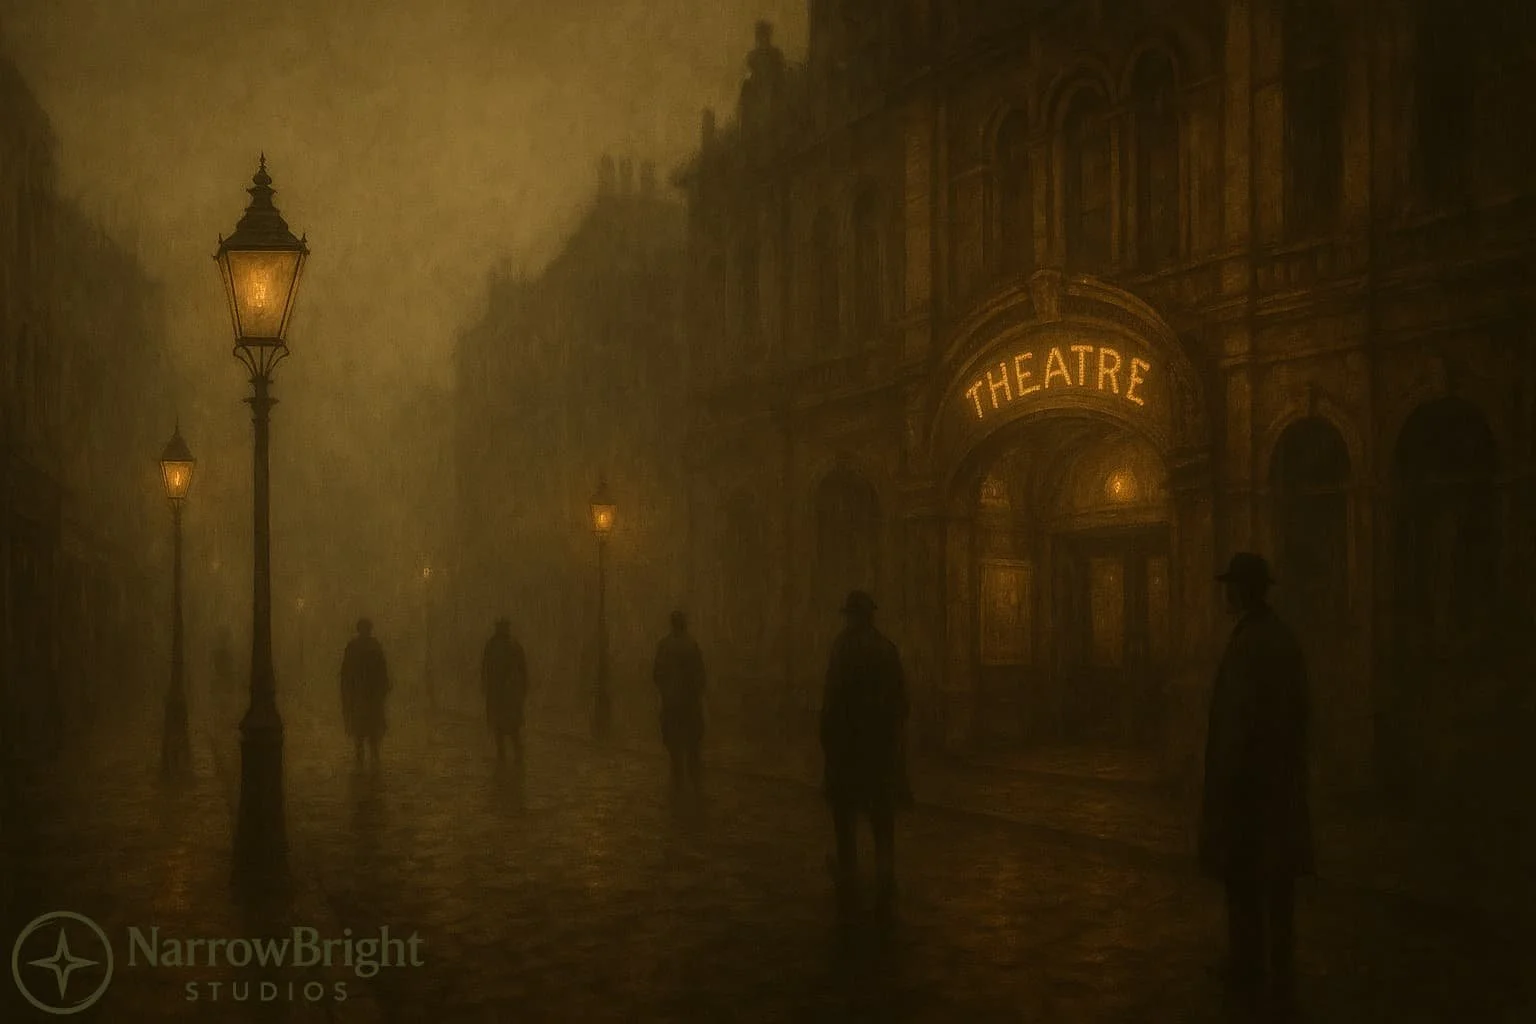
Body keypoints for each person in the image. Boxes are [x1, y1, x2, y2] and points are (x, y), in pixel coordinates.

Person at [1200, 553, 1313, 1017]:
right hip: (1277, 782)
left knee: (1245, 877)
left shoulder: (1251, 643)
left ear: (1245, 591)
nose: (1227, 594)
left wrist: (1228, 780)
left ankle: (1249, 965)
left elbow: (1238, 723)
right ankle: (1277, 967)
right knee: (1277, 878)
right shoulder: (1280, 637)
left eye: (1232, 586)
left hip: (1249, 785)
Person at [820, 590, 910, 916]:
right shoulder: (887, 649)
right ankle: (886, 876)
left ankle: (849, 875)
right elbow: (902, 702)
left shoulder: (842, 648)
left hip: (849, 747)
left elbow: (832, 700)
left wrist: (828, 741)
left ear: (853, 617)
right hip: (880, 749)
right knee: (882, 817)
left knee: (845, 816)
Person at [652, 610, 706, 795]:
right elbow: (700, 675)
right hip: (689, 702)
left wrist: (666, 689)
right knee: (692, 743)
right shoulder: (692, 645)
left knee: (674, 742)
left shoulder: (665, 646)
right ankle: (694, 781)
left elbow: (656, 674)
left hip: (672, 702)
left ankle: (678, 777)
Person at [339, 618, 391, 766]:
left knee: (364, 727)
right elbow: (382, 670)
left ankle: (365, 755)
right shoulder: (372, 646)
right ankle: (368, 755)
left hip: (363, 694)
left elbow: (346, 672)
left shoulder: (356, 646)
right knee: (367, 727)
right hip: (366, 694)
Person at [482, 617, 529, 765]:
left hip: (507, 692)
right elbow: (486, 667)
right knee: (500, 725)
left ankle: (514, 753)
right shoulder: (494, 645)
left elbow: (522, 668)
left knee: (510, 725)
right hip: (500, 691)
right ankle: (503, 752)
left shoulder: (512, 645)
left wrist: (523, 686)